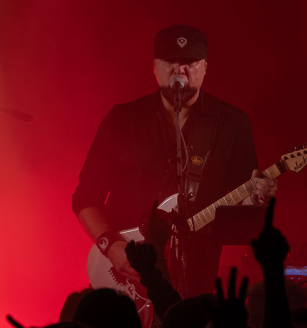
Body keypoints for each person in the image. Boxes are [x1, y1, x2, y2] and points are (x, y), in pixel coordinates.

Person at [73, 25, 274, 296]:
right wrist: (111, 246)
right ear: (155, 67)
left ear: (205, 67)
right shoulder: (122, 120)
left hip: (196, 278)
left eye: (190, 62)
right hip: (123, 278)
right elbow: (85, 198)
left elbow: (241, 208)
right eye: (170, 62)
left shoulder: (231, 123)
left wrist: (256, 200)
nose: (180, 71)